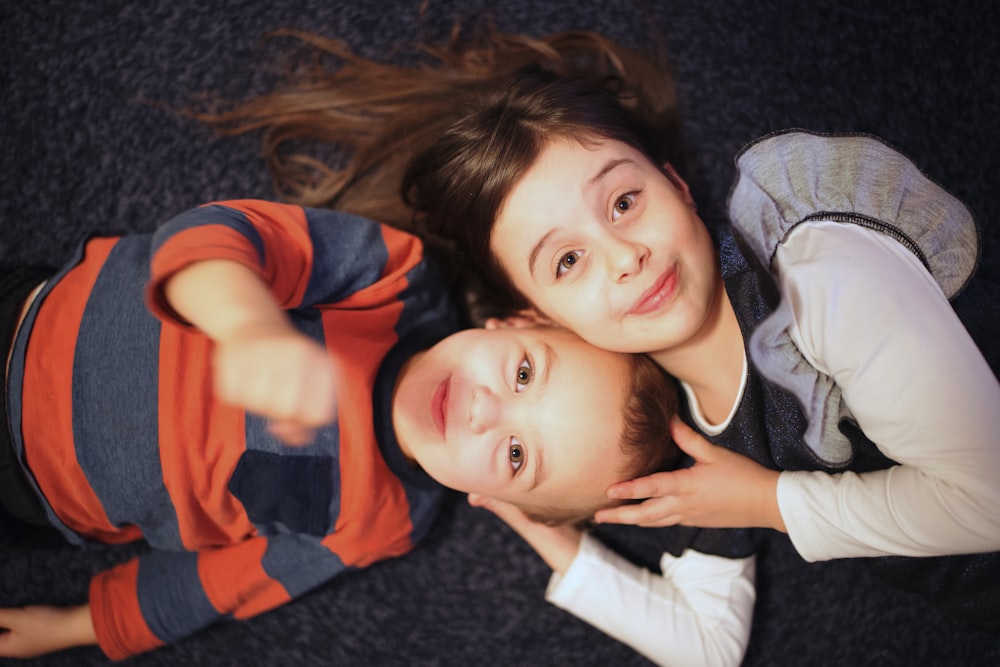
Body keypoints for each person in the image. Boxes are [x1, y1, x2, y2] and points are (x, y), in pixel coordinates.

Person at [207, 27, 1000, 631]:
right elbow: (708, 644)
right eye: (567, 262)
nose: (625, 257)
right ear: (542, 316)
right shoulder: (662, 433)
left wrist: (770, 502)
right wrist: (535, 517)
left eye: (623, 202)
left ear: (677, 183)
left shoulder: (821, 277)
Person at [0, 199, 754, 666]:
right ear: (516, 320)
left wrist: (79, 625)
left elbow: (224, 583)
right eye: (523, 372)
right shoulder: (394, 279)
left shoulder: (384, 520)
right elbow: (213, 235)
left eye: (517, 455)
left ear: (494, 498)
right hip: (30, 324)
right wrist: (250, 326)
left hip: (35, 491)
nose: (486, 409)